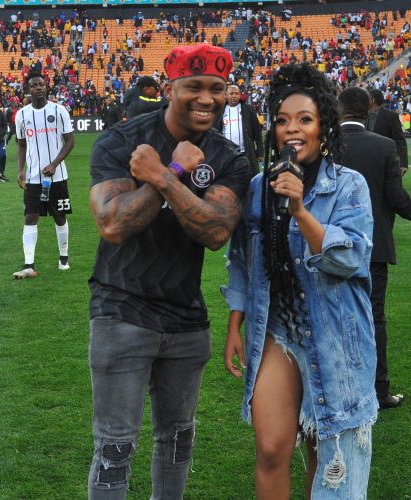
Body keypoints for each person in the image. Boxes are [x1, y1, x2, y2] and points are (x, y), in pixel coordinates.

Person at [87, 44, 249, 498]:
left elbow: (216, 232)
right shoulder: (123, 140)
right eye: (194, 86)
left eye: (217, 88)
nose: (207, 98)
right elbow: (113, 224)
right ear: (169, 87)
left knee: (178, 441)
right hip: (121, 310)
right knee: (115, 448)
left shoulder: (229, 156)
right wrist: (176, 169)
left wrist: (163, 175)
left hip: (185, 320)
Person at [222, 63, 377, 498]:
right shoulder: (259, 187)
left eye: (304, 119)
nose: (292, 128)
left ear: (322, 128)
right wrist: (234, 324)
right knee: (271, 448)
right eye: (282, 120)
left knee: (323, 446)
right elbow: (242, 262)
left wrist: (300, 211)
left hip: (334, 331)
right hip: (277, 328)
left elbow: (351, 258)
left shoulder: (349, 186)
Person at [337, 86, 411, 410]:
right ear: (368, 111)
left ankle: (335, 388)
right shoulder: (383, 145)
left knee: (332, 316)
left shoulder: (323, 144)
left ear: (339, 110)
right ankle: (378, 390)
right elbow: (395, 196)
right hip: (372, 245)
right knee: (373, 317)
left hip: (329, 244)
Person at [13, 72, 75, 279]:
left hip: (57, 176)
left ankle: (63, 258)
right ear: (28, 90)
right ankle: (28, 265)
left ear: (46, 87)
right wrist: (20, 170)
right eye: (34, 85)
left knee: (59, 216)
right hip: (33, 178)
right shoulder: (22, 114)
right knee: (30, 217)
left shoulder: (59, 110)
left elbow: (70, 141)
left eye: (41, 84)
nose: (38, 88)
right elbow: (21, 144)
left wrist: (55, 164)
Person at [213, 84, 263, 178]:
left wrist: (260, 151)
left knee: (250, 178)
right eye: (231, 93)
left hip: (245, 152)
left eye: (236, 93)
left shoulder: (248, 109)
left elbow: (257, 131)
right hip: (226, 153)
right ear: (226, 95)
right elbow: (215, 131)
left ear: (240, 95)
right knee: (229, 179)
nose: (234, 96)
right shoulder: (220, 110)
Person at [367, 88, 409, 175]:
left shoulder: (391, 116)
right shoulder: (363, 115)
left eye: (367, 98)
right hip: (368, 160)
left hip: (385, 161)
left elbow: (400, 140)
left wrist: (403, 163)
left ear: (373, 100)